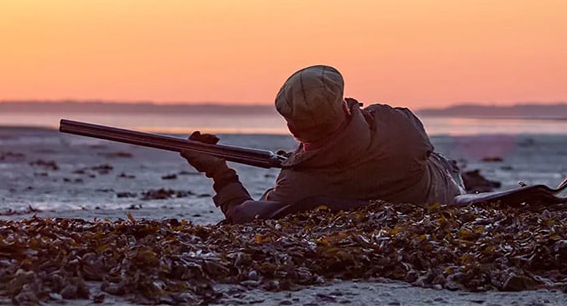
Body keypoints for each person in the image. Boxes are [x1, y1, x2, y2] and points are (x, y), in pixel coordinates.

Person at [180, 65, 466, 224]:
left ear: (292, 127)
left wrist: (219, 172)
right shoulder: (399, 126)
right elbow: (363, 125)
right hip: (444, 187)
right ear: (343, 105)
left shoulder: (296, 187)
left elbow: (242, 212)